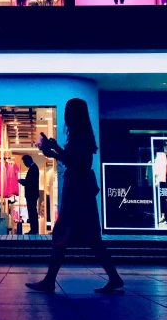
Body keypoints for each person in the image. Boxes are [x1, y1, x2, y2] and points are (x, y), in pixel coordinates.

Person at [26, 98, 123, 294]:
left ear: (74, 114)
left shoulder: (81, 135)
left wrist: (52, 153)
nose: (65, 115)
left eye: (68, 111)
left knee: (62, 233)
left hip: (77, 189)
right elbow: (75, 158)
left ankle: (49, 280)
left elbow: (74, 161)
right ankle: (113, 277)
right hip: (81, 187)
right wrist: (56, 149)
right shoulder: (83, 135)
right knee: (92, 238)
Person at [19, 154, 40, 235]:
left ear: (28, 160)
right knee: (32, 211)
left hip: (31, 194)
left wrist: (22, 181)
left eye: (25, 162)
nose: (24, 164)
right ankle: (34, 229)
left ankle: (34, 229)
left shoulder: (33, 168)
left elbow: (30, 182)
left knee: (32, 212)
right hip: (32, 194)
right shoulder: (34, 168)